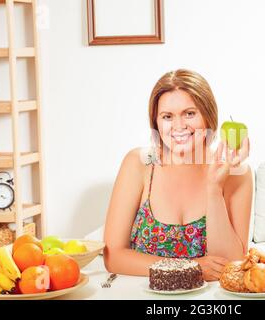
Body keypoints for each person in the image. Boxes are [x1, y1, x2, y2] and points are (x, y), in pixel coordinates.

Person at [103, 69, 253, 281]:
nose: (179, 126)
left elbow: (229, 266)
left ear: (208, 116)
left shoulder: (237, 174)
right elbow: (114, 257)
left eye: (189, 113)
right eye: (167, 117)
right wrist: (188, 267)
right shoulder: (139, 164)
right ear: (156, 122)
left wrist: (214, 188)